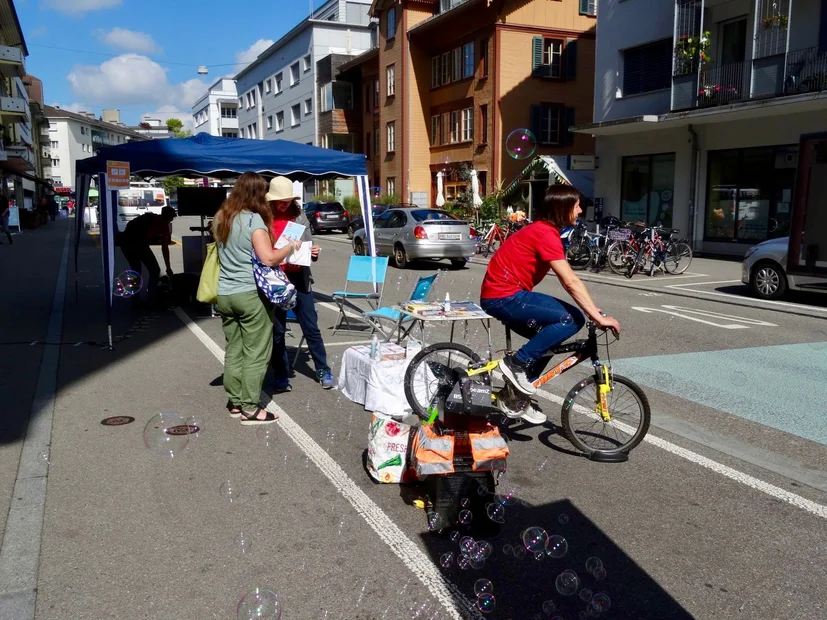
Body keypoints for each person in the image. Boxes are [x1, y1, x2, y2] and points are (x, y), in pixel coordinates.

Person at [480, 185, 621, 424]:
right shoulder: (545, 233)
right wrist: (596, 317)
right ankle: (516, 364)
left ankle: (518, 397)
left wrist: (594, 311)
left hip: (502, 296)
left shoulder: (543, 231)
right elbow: (570, 281)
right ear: (562, 207)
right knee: (572, 319)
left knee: (549, 339)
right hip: (504, 296)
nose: (580, 211)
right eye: (576, 206)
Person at [213, 172, 301, 425]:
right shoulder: (254, 221)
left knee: (234, 349)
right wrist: (290, 247)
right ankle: (251, 408)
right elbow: (269, 258)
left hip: (225, 293)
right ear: (258, 194)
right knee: (256, 353)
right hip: (250, 295)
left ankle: (235, 402)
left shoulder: (221, 217)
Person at [265, 176, 335, 391]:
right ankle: (281, 375)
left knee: (311, 327)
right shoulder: (263, 218)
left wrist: (314, 251)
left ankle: (323, 369)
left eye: (288, 199)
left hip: (299, 278)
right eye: (280, 199)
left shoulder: (299, 216)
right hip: (276, 279)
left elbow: (309, 243)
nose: (284, 203)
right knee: (277, 331)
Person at [119, 206, 177, 305]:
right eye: (171, 218)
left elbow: (129, 225)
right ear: (170, 218)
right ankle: (151, 299)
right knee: (155, 270)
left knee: (136, 271)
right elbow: (164, 248)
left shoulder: (149, 217)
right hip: (138, 243)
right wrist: (168, 267)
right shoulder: (163, 225)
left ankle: (136, 300)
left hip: (125, 243)